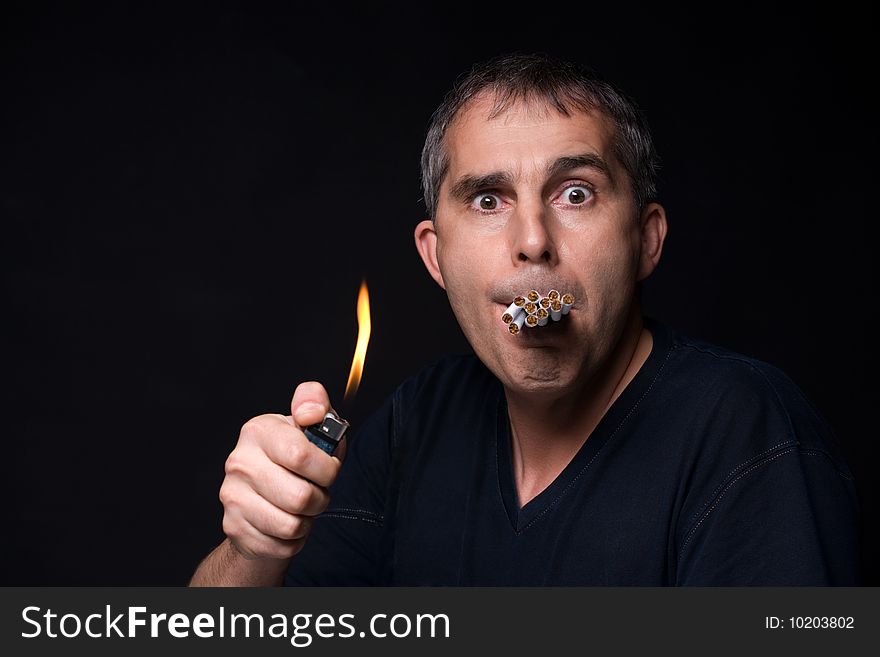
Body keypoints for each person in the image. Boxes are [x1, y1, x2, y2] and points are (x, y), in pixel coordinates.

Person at [189, 53, 861, 586]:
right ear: (436, 256)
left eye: (576, 193)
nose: (533, 239)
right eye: (488, 198)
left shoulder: (748, 432)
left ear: (646, 240)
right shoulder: (414, 425)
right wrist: (253, 549)